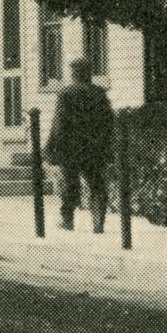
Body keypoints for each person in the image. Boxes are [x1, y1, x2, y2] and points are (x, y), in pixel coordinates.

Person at [47, 56, 114, 233]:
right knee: (97, 184)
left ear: (74, 73)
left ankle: (68, 220)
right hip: (94, 148)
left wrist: (51, 147)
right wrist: (106, 145)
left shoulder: (66, 93)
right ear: (89, 73)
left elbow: (58, 124)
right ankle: (98, 223)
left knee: (70, 185)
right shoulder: (99, 93)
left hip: (71, 148)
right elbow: (109, 122)